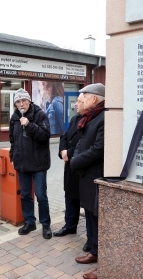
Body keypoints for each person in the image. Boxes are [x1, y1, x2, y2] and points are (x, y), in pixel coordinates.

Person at [70, 83, 105, 279]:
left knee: (97, 217)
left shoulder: (104, 118)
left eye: (81, 99)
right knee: (90, 215)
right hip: (86, 176)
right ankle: (94, 250)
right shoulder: (88, 119)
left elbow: (98, 149)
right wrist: (75, 158)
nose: (78, 103)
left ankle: (101, 257)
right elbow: (81, 144)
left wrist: (75, 161)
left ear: (93, 99)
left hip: (96, 176)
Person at [9, 88, 52, 239]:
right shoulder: (14, 117)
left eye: (24, 101)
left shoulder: (40, 115)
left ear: (29, 101)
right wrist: (12, 155)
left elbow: (45, 135)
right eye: (18, 102)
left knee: (41, 195)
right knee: (26, 195)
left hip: (38, 164)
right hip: (22, 164)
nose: (21, 104)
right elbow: (12, 140)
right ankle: (29, 222)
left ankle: (45, 224)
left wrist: (29, 125)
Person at [53, 93, 92, 250]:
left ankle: (91, 238)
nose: (76, 104)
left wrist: (69, 153)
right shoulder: (76, 118)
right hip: (70, 166)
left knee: (87, 204)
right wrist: (63, 150)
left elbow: (85, 144)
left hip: (83, 166)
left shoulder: (92, 120)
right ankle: (70, 225)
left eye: (79, 101)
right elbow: (65, 136)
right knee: (70, 197)